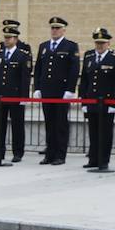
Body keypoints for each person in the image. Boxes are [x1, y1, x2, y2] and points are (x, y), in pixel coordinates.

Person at [33, 16, 80, 165]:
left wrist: (70, 89)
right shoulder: (44, 46)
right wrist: (37, 87)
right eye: (52, 28)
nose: (54, 30)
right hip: (47, 91)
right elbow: (38, 68)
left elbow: (74, 69)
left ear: (63, 29)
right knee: (49, 123)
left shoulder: (70, 46)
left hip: (61, 91)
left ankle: (60, 155)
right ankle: (49, 153)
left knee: (60, 124)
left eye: (57, 28)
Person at [79, 28, 115, 173]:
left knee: (105, 133)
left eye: (103, 43)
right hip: (91, 101)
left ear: (108, 43)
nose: (99, 46)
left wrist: (114, 104)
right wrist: (83, 102)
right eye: (97, 43)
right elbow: (84, 81)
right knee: (93, 132)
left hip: (106, 102)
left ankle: (103, 161)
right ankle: (93, 159)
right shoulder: (89, 57)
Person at [0, 26, 31, 165]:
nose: (6, 40)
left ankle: (18, 152)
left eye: (9, 37)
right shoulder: (0, 55)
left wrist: (24, 97)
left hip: (15, 96)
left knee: (17, 125)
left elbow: (25, 78)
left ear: (16, 39)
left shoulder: (22, 55)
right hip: (0, 96)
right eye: (5, 37)